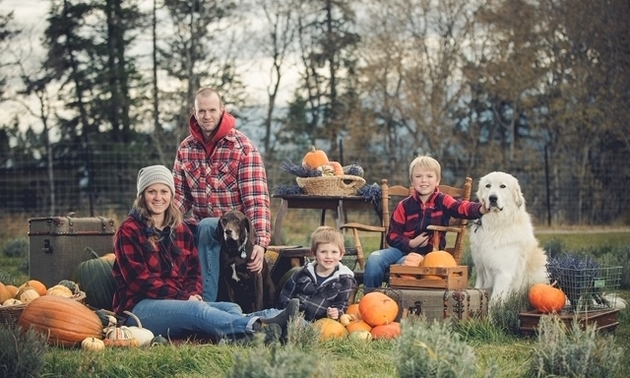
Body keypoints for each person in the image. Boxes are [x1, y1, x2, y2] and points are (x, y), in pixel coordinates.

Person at [112, 165, 298, 343]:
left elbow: (194, 270)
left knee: (231, 307)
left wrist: (193, 291)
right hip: (139, 308)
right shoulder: (129, 230)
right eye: (151, 191)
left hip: (180, 302)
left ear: (171, 195)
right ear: (142, 195)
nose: (158, 197)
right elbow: (140, 281)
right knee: (196, 309)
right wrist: (185, 297)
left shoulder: (180, 229)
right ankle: (261, 327)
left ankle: (249, 335)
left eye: (164, 191)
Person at [172, 87, 272, 302]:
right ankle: (176, 300)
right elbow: (180, 196)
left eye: (212, 110)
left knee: (209, 225)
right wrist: (160, 222)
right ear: (194, 112)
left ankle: (205, 305)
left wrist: (261, 243)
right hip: (202, 230)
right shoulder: (186, 148)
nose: (207, 116)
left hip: (234, 236)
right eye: (202, 112)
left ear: (222, 110)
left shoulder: (242, 149)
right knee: (184, 229)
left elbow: (256, 201)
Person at [363, 155, 489, 292]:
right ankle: (371, 297)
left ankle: (395, 299)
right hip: (401, 249)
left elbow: (461, 208)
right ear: (412, 180)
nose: (424, 180)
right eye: (418, 176)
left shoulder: (443, 201)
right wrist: (410, 243)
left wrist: (480, 208)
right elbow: (392, 235)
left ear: (437, 180)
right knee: (374, 259)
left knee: (405, 264)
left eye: (429, 176)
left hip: (429, 255)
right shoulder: (404, 205)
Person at [277, 226, 356, 321]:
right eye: (323, 252)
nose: (329, 256)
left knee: (299, 325)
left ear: (341, 255)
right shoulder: (302, 273)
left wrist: (336, 312)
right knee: (265, 314)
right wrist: (284, 312)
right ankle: (258, 322)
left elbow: (342, 304)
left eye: (334, 252)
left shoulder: (344, 280)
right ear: (314, 254)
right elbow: (285, 295)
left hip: (314, 323)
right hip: (289, 315)